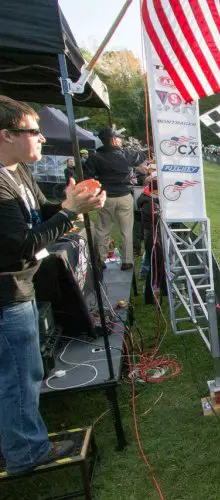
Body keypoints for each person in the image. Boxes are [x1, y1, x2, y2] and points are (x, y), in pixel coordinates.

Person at [0, 96, 106, 476]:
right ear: (6, 135)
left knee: (21, 375)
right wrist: (69, 212)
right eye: (34, 131)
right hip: (6, 296)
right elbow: (24, 243)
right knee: (17, 377)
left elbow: (42, 212)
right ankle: (26, 451)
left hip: (20, 290)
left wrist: (74, 204)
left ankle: (22, 440)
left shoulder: (17, 171)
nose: (43, 138)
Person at [85, 127, 147, 271]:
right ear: (113, 140)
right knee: (126, 230)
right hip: (124, 196)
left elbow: (87, 176)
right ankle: (127, 261)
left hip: (106, 196)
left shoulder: (95, 157)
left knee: (103, 229)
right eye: (118, 139)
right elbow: (142, 156)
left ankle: (100, 259)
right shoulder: (125, 153)